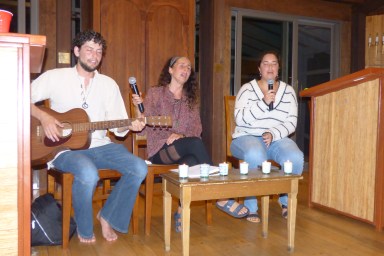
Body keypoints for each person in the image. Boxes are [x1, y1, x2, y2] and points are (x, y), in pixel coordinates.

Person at [30, 30, 148, 243]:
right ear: (77, 51)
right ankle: (85, 229)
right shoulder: (55, 77)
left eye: (99, 51)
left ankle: (107, 216)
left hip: (102, 145)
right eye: (89, 50)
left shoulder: (109, 84)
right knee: (88, 172)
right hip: (64, 149)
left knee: (139, 167)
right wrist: (44, 117)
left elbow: (119, 127)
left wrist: (133, 124)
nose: (94, 55)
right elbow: (18, 97)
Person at [131, 56, 248, 232]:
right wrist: (138, 111)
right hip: (160, 151)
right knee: (195, 144)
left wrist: (181, 135)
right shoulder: (155, 94)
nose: (186, 69)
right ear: (170, 70)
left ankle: (180, 211)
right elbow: (142, 127)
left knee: (192, 160)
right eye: (182, 65)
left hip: (184, 147)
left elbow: (196, 128)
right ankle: (219, 195)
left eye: (189, 67)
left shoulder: (190, 99)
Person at [230, 50, 304, 223]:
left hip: (276, 138)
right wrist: (263, 103)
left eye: (274, 63)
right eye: (266, 63)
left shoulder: (288, 91)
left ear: (278, 68)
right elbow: (239, 119)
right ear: (259, 68)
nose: (270, 67)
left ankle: (286, 201)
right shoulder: (247, 89)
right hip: (246, 137)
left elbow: (291, 122)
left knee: (295, 157)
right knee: (256, 154)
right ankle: (251, 206)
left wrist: (273, 133)